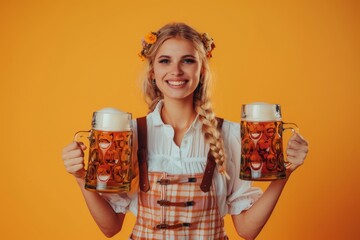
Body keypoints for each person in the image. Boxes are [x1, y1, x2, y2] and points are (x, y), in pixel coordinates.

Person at [62, 22, 309, 240]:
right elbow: (110, 228)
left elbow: (246, 230)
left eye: (188, 60)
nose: (177, 71)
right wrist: (81, 176)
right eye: (165, 60)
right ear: (153, 72)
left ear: (201, 71)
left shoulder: (230, 135)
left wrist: (283, 174)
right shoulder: (128, 136)